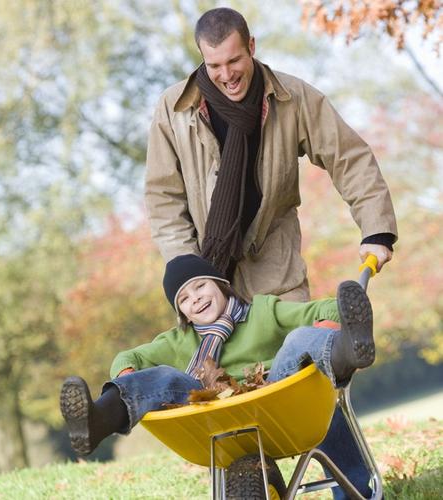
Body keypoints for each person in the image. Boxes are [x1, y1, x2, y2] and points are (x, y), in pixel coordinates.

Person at [60, 254, 376, 497]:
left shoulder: (262, 312)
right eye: (184, 298)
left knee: (298, 340)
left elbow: (325, 310)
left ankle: (347, 353)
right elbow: (128, 357)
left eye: (200, 286)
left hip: (279, 398)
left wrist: (329, 327)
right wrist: (128, 372)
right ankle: (97, 421)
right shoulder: (178, 341)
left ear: (220, 284)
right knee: (163, 377)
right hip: (220, 418)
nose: (195, 298)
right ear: (181, 311)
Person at [144, 7, 397, 302]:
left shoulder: (294, 98)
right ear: (202, 56)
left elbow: (349, 159)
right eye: (214, 65)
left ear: (251, 46)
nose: (226, 75)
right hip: (205, 285)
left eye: (234, 60)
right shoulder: (174, 108)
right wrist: (189, 271)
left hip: (278, 279)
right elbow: (163, 196)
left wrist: (376, 231)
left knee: (298, 347)